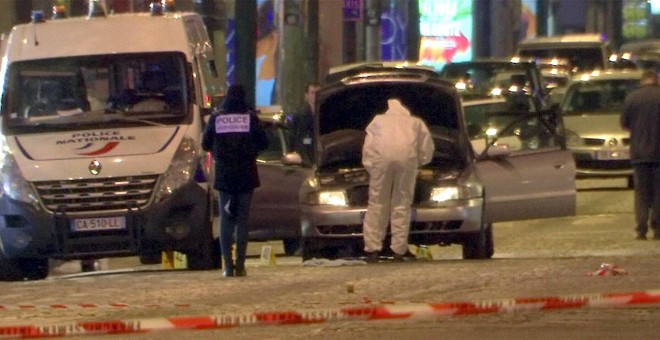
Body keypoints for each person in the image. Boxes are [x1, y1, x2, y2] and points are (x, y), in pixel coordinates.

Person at [202, 84, 269, 276]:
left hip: (224, 176)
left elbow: (205, 143)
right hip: (246, 175)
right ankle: (240, 265)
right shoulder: (250, 118)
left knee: (226, 220)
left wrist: (218, 150)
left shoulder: (217, 118)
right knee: (242, 220)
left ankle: (227, 266)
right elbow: (264, 142)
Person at [361, 98, 435, 262]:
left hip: (381, 162)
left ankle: (372, 249)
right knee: (402, 203)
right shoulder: (415, 122)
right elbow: (426, 147)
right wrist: (419, 162)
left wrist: (371, 167)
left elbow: (369, 146)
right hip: (407, 162)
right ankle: (399, 250)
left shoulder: (378, 121)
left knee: (377, 203)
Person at [620, 70, 660, 241]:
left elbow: (624, 123)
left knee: (641, 192)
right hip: (659, 152)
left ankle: (641, 228)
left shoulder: (632, 98)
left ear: (642, 81)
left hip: (639, 153)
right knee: (659, 191)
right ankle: (658, 227)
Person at [290, 82, 321, 165]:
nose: (316, 96)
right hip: (305, 158)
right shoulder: (300, 115)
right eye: (313, 93)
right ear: (306, 95)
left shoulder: (326, 113)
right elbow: (297, 138)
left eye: (318, 93)